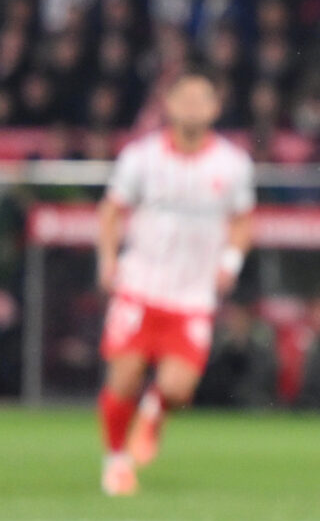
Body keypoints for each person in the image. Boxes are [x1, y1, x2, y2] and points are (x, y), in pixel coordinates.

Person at [94, 72, 254, 496]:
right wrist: (108, 259)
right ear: (169, 105)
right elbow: (111, 211)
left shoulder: (232, 164)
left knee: (178, 389)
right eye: (184, 98)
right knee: (124, 376)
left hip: (192, 295)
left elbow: (242, 220)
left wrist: (231, 262)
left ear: (215, 108)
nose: (193, 107)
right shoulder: (140, 158)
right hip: (141, 286)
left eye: (202, 99)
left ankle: (155, 410)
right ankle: (116, 462)